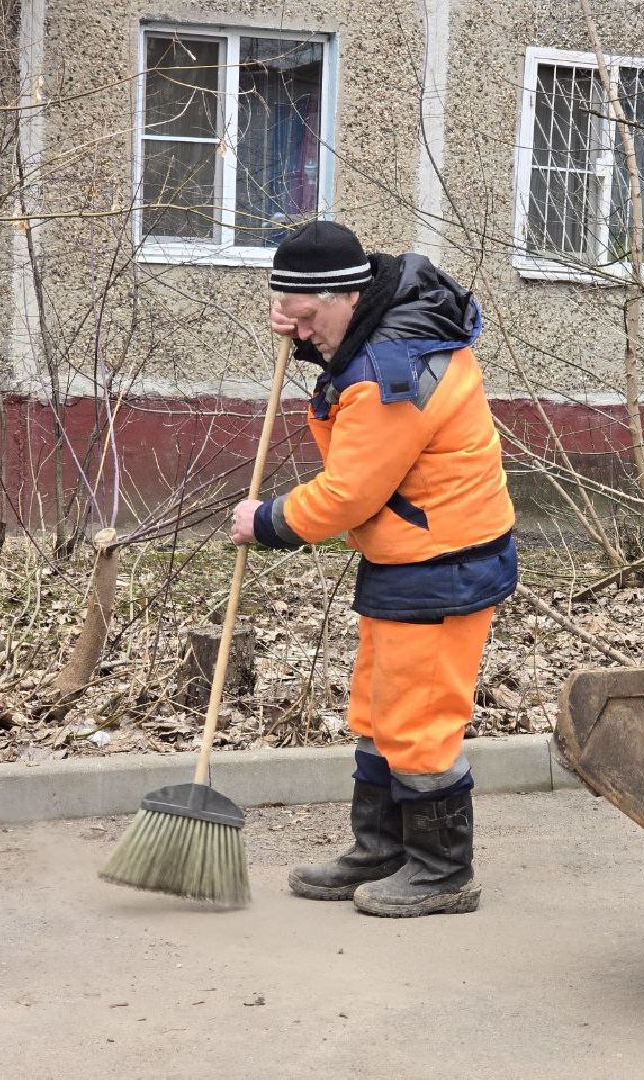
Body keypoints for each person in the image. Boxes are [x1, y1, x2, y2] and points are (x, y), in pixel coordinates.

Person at [230, 220, 517, 917]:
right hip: (409, 551)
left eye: (307, 318)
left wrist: (266, 522)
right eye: (290, 317)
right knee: (377, 707)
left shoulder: (395, 368)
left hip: (442, 561)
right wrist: (309, 341)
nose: (299, 332)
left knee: (418, 718)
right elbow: (346, 378)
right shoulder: (382, 328)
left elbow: (350, 491)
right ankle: (383, 849)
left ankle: (442, 871)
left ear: (345, 297)